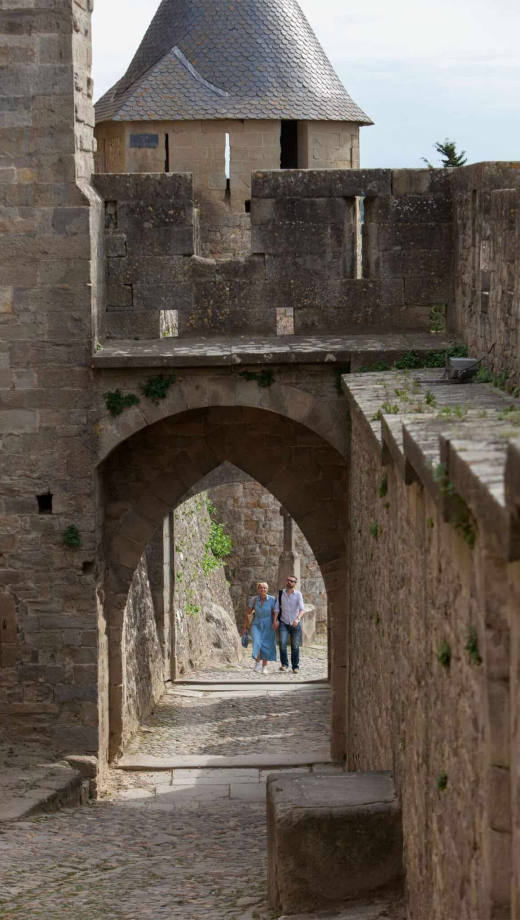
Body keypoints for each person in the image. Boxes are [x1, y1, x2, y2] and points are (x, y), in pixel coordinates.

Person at [242, 581, 277, 675]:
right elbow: (248, 613)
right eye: (261, 588)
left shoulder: (272, 599)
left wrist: (275, 622)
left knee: (266, 644)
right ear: (258, 589)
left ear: (267, 589)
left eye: (265, 588)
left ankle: (264, 667)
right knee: (257, 642)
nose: (263, 589)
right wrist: (244, 627)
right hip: (256, 623)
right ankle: (257, 663)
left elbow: (275, 613)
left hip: (268, 624)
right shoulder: (254, 599)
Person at [274, 575, 305, 674]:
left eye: (292, 581)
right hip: (284, 622)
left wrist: (297, 619)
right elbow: (276, 608)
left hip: (295, 624)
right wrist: (275, 620)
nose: (289, 582)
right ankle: (284, 664)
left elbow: (302, 609)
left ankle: (295, 666)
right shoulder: (280, 593)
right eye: (288, 580)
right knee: (282, 644)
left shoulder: (298, 595)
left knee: (295, 646)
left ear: (295, 583)